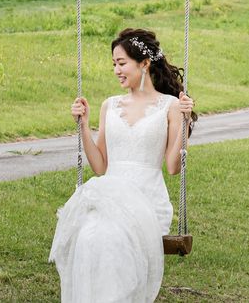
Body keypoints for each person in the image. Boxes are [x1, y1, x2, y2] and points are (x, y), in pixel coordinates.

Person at [49, 28, 196, 303]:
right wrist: (83, 126)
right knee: (89, 238)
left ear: (144, 63)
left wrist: (185, 123)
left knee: (113, 240)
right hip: (109, 197)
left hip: (146, 201)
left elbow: (173, 166)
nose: (116, 70)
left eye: (122, 63)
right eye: (114, 64)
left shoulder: (171, 106)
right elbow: (100, 166)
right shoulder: (109, 105)